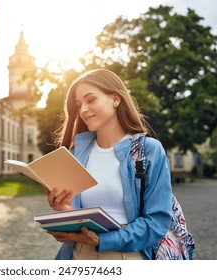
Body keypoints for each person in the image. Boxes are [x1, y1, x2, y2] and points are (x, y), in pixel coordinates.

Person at [46, 69, 172, 260]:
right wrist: (64, 211)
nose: (83, 110)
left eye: (91, 100)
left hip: (126, 256)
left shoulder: (149, 151)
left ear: (115, 99)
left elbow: (157, 222)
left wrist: (103, 240)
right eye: (79, 105)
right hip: (78, 254)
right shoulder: (76, 154)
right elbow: (82, 213)